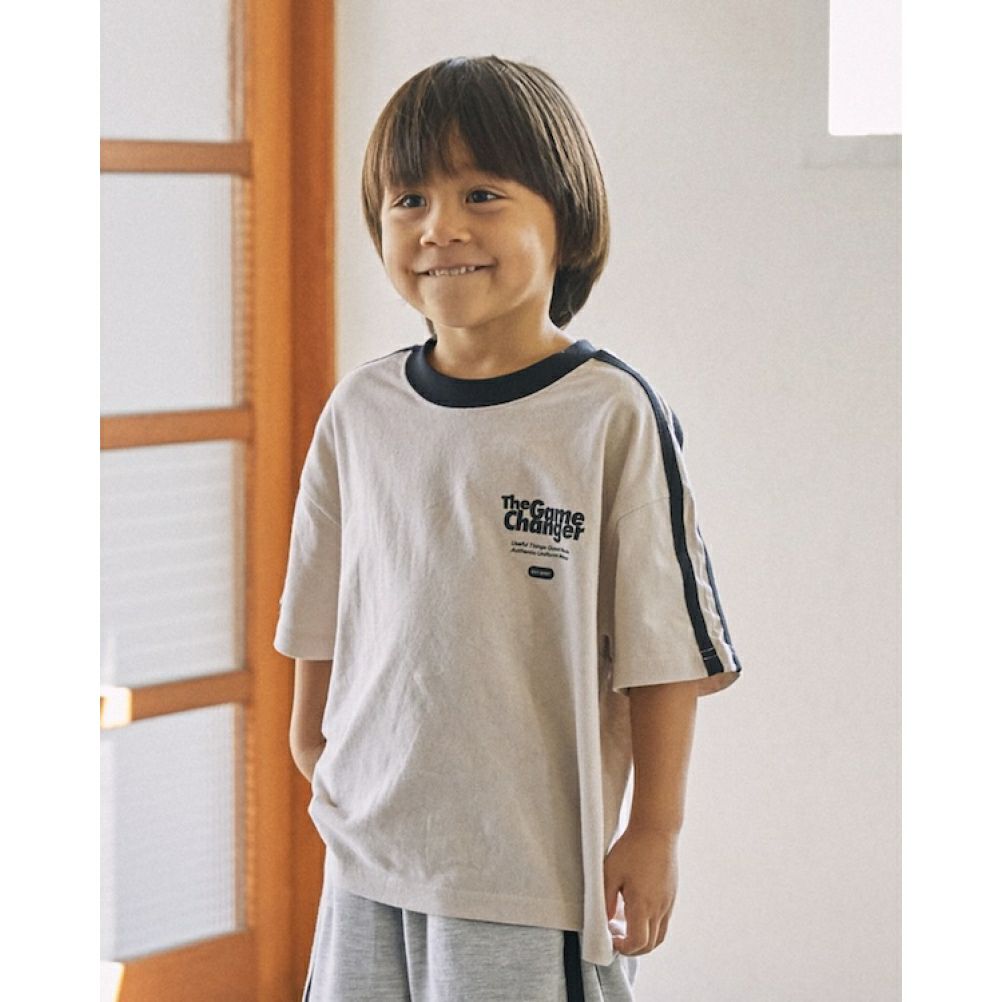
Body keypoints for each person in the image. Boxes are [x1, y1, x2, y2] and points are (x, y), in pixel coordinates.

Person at [275, 55, 743, 1002]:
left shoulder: (610, 416)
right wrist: (313, 749)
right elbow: (320, 601)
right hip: (365, 859)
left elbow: (663, 646)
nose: (439, 227)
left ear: (566, 217)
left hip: (526, 875)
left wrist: (654, 829)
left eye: (481, 194)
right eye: (409, 200)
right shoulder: (360, 410)